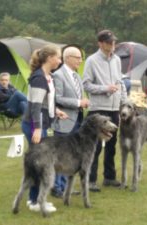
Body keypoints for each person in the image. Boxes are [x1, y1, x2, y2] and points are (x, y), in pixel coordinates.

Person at [21, 44, 68, 213]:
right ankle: (35, 201)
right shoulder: (39, 78)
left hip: (40, 123)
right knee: (40, 163)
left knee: (39, 162)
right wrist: (37, 129)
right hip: (34, 125)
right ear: (49, 58)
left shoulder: (49, 77)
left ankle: (33, 199)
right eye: (59, 57)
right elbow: (34, 106)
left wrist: (56, 111)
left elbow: (45, 102)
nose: (60, 60)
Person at [83, 29, 127, 192]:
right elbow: (86, 85)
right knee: (95, 146)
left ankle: (109, 177)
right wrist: (105, 88)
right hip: (98, 109)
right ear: (100, 43)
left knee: (112, 145)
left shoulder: (116, 60)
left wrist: (123, 103)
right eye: (109, 42)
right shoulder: (91, 61)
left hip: (115, 109)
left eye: (113, 41)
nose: (112, 44)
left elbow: (120, 83)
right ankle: (91, 179)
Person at [51, 46, 90, 198]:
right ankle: (56, 187)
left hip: (78, 120)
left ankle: (67, 186)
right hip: (64, 121)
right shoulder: (58, 76)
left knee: (72, 156)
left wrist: (84, 102)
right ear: (68, 58)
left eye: (81, 57)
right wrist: (79, 103)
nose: (80, 61)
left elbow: (80, 96)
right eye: (78, 57)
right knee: (61, 155)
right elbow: (58, 98)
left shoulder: (77, 76)